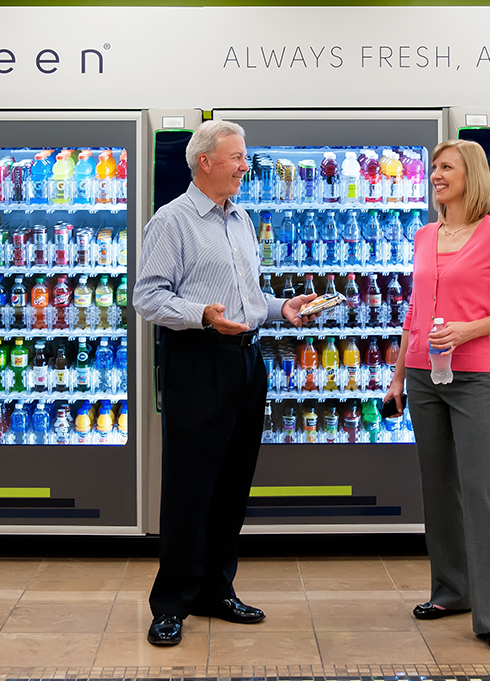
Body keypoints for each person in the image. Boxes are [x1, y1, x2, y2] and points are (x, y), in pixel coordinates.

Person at [134, 119, 317, 647]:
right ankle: (171, 603)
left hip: (246, 361)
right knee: (190, 487)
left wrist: (281, 309)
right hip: (198, 360)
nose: (245, 165)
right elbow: (147, 298)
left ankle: (216, 590)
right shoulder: (171, 222)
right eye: (237, 157)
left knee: (232, 485)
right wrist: (202, 316)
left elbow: (248, 299)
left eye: (245, 156)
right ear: (205, 162)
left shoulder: (241, 220)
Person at [384, 139, 490, 650]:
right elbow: (414, 313)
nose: (436, 175)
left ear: (472, 175)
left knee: (478, 492)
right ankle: (451, 590)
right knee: (438, 488)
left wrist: (471, 330)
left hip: (473, 378)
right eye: (435, 169)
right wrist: (399, 376)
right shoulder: (426, 234)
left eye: (446, 167)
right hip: (423, 376)